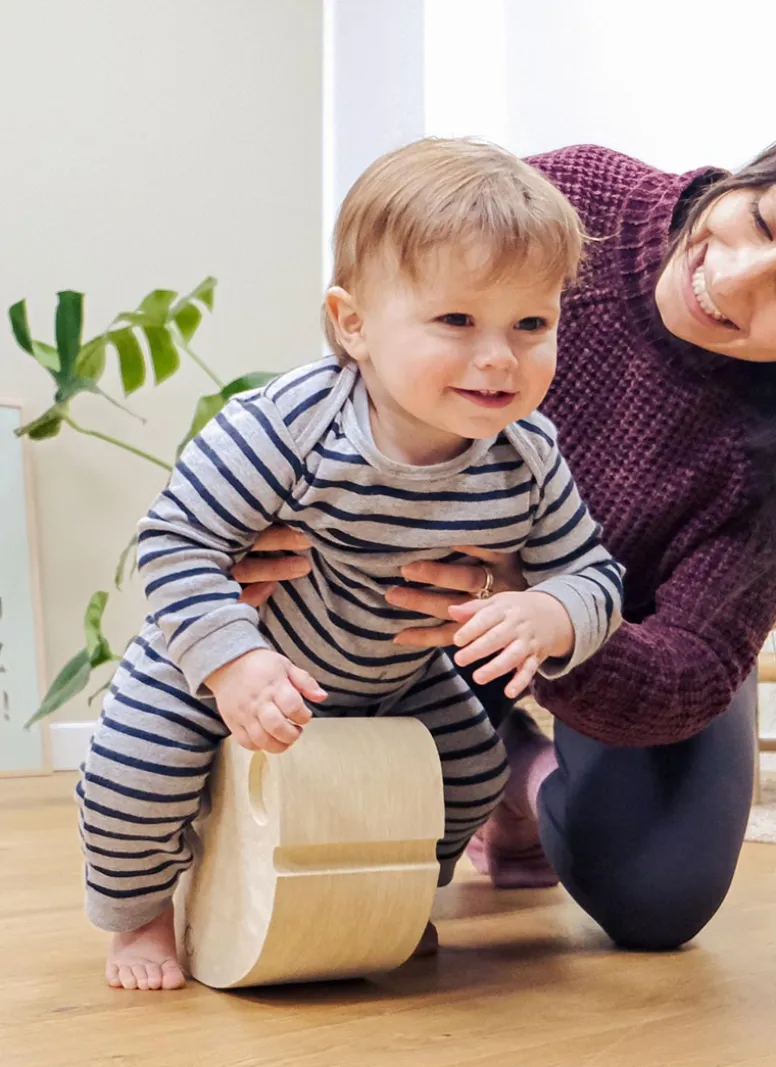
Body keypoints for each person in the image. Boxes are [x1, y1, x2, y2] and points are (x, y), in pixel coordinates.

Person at [236, 99, 776, 950]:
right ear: (763, 165)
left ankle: (523, 776)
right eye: (761, 215)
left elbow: (691, 668)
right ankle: (496, 764)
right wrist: (277, 536)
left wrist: (540, 613)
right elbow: (374, 345)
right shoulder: (572, 200)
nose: (728, 277)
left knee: (662, 895)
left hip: (608, 630)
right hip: (401, 594)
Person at [77, 137, 626, 991]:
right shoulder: (288, 427)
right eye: (456, 321)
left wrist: (551, 612)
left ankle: (398, 899)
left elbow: (591, 572)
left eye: (531, 324)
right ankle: (140, 913)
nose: (499, 357)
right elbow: (177, 541)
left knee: (474, 768)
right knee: (133, 773)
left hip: (395, 679)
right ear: (354, 324)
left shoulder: (527, 455)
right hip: (224, 664)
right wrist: (233, 662)